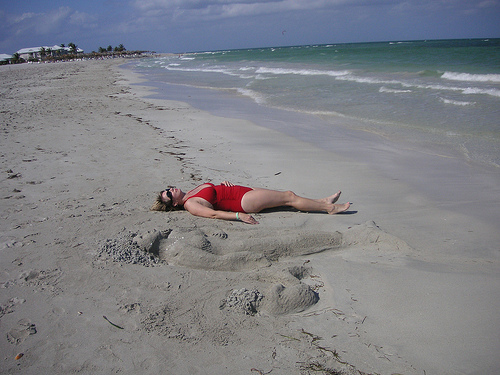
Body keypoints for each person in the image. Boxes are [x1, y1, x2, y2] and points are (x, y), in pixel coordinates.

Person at [151, 181, 350, 225]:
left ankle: (321, 201)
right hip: (242, 202)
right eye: (168, 195)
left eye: (168, 189)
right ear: (174, 204)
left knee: (288, 197)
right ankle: (329, 208)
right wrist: (239, 216)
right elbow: (213, 214)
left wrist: (224, 184)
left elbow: (214, 191)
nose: (170, 190)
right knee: (289, 196)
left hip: (240, 191)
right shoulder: (190, 204)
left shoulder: (191, 191)